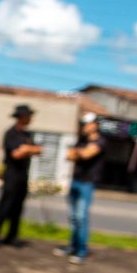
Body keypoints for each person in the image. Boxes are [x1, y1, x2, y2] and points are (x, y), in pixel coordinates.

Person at [0, 104, 42, 248]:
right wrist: (28, 149)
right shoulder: (11, 133)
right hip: (12, 174)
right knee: (5, 206)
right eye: (28, 116)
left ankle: (12, 236)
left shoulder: (27, 135)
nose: (30, 118)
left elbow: (38, 150)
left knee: (18, 208)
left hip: (23, 174)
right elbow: (16, 154)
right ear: (21, 117)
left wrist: (27, 149)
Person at [56, 112, 103, 264]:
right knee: (73, 217)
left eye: (88, 123)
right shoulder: (81, 140)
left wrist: (79, 153)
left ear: (95, 124)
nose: (85, 127)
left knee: (81, 217)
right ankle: (73, 246)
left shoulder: (101, 141)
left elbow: (86, 155)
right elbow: (70, 156)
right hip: (75, 181)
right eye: (83, 124)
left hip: (87, 184)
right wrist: (79, 152)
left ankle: (82, 251)